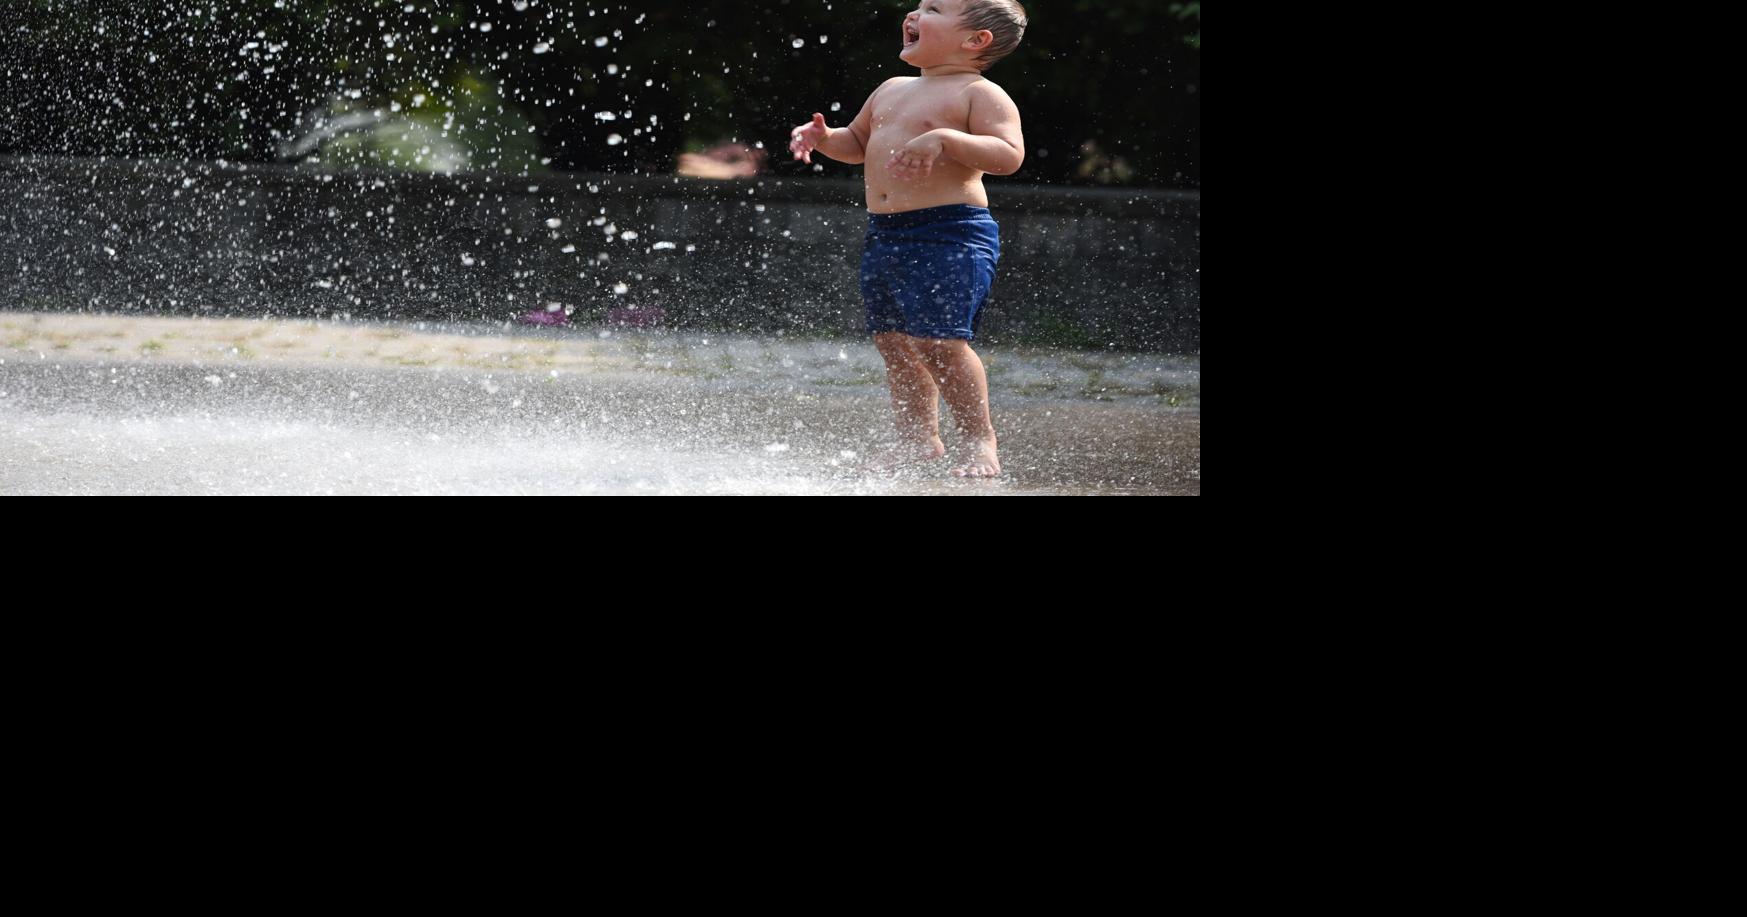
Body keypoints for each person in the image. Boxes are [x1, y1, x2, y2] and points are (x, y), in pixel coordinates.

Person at [789, 0, 1027, 478]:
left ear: (975, 40)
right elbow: (856, 145)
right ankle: (918, 438)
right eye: (917, 6)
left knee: (941, 342)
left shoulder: (981, 94)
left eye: (934, 9)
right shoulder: (891, 88)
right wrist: (824, 137)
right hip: (887, 234)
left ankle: (980, 439)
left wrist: (945, 138)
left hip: (950, 232)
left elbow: (1008, 155)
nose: (915, 15)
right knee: (894, 341)